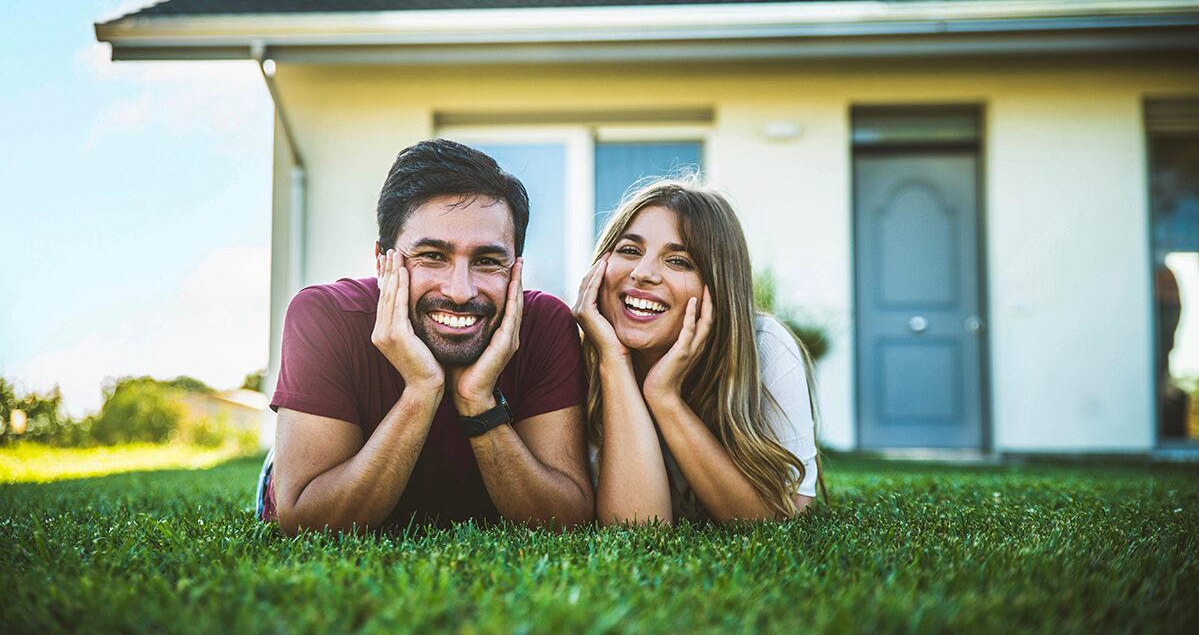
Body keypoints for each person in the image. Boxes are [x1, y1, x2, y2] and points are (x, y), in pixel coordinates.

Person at [259, 139, 594, 533]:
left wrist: (478, 402)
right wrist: (421, 390)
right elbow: (305, 523)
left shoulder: (544, 325)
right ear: (383, 263)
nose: (460, 291)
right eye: (432, 256)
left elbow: (567, 520)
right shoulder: (325, 316)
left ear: (515, 269)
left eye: (487, 261)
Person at [572, 177, 821, 525]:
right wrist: (614, 361)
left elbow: (787, 520)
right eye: (630, 250)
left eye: (678, 261)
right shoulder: (573, 358)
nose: (643, 274)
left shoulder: (767, 346)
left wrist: (664, 397)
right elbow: (636, 529)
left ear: (717, 286)